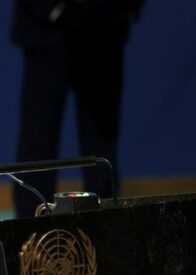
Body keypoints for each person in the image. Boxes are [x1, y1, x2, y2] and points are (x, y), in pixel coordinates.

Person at [10, 0, 144, 217]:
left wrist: (122, 9)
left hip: (105, 32)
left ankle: (106, 229)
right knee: (37, 139)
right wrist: (53, 9)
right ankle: (30, 234)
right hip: (46, 32)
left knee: (101, 141)